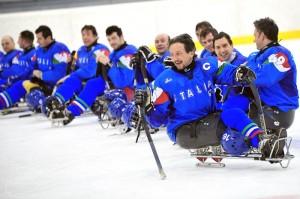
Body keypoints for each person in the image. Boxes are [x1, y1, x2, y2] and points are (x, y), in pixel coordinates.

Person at [124, 33, 275, 158]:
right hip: (184, 129)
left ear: (191, 52)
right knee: (229, 134)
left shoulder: (206, 65)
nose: (175, 58)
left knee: (234, 113)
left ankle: (262, 140)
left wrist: (238, 73)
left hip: (209, 118)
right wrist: (148, 108)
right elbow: (158, 121)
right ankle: (255, 143)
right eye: (173, 54)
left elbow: (227, 72)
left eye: (179, 53)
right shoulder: (163, 81)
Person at [222, 17, 298, 158]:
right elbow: (239, 73)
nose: (253, 39)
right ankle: (265, 141)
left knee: (237, 130)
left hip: (279, 110)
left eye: (255, 35)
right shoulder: (255, 56)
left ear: (262, 35)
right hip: (259, 105)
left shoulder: (281, 55)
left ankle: (269, 144)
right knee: (227, 111)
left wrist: (245, 76)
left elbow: (266, 78)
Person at [48, 25, 137, 125]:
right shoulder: (113, 53)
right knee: (88, 82)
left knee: (93, 83)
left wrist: (108, 64)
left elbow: (122, 82)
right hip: (113, 89)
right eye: (109, 39)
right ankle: (62, 105)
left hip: (130, 91)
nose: (111, 42)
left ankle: (70, 111)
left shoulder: (128, 52)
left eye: (114, 38)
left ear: (121, 36)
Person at [0, 25, 70, 111]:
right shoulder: (39, 50)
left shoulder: (59, 49)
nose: (37, 41)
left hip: (56, 86)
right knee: (21, 84)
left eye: (39, 38)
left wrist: (42, 75)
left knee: (34, 96)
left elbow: (59, 74)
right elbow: (31, 68)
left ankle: (50, 106)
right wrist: (14, 79)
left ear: (48, 37)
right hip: (42, 84)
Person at [44, 25, 110, 114]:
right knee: (72, 80)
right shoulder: (81, 50)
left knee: (74, 78)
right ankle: (56, 101)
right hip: (84, 84)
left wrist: (71, 75)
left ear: (95, 36)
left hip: (98, 85)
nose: (85, 37)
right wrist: (71, 66)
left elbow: (91, 71)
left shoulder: (101, 49)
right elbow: (76, 68)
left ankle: (76, 108)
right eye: (83, 35)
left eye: (88, 34)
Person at [213, 31, 247, 108]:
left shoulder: (244, 63)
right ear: (214, 50)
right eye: (218, 47)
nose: (222, 50)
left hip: (240, 110)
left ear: (231, 45)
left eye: (225, 46)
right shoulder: (214, 66)